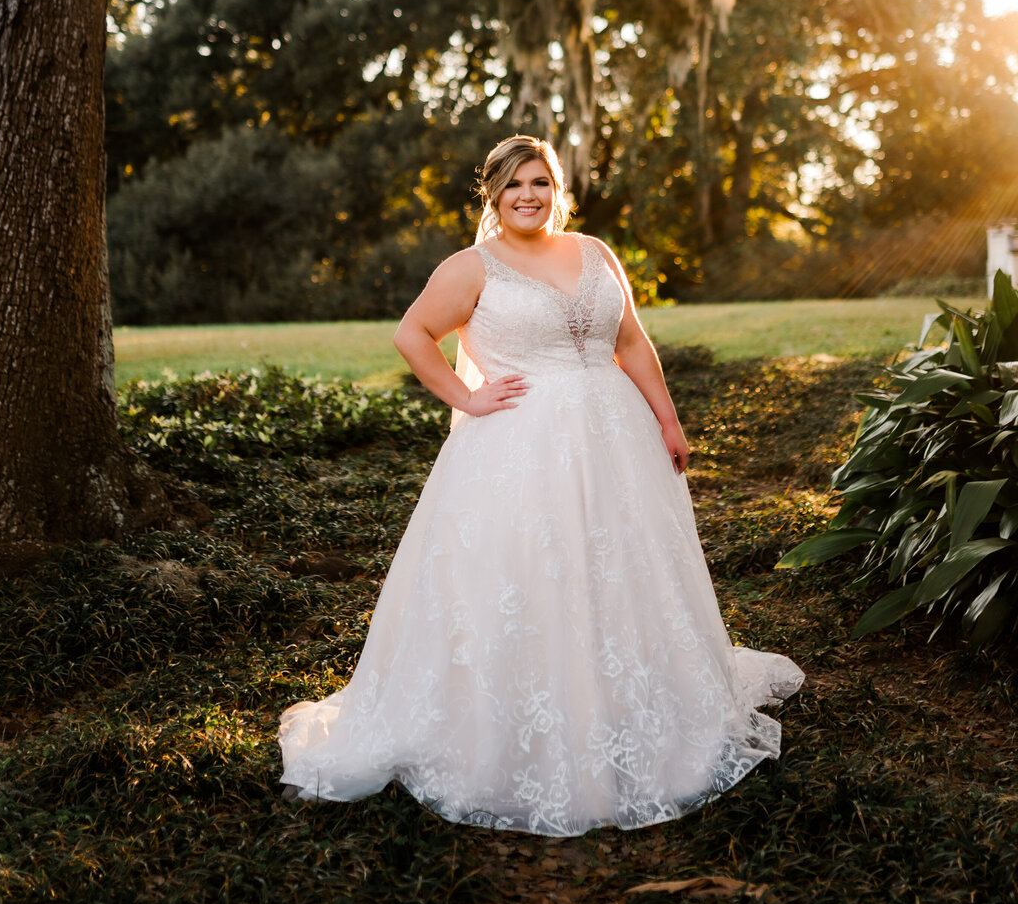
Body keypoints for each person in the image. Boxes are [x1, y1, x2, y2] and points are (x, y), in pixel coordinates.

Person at [278, 135, 803, 835]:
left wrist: (669, 421)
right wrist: (465, 400)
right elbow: (413, 335)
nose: (529, 195)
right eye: (515, 184)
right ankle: (527, 717)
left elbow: (632, 341)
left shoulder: (594, 252)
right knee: (533, 575)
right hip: (520, 448)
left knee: (619, 567)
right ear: (493, 194)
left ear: (558, 190)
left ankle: (630, 699)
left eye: (541, 183)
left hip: (616, 439)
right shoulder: (472, 267)